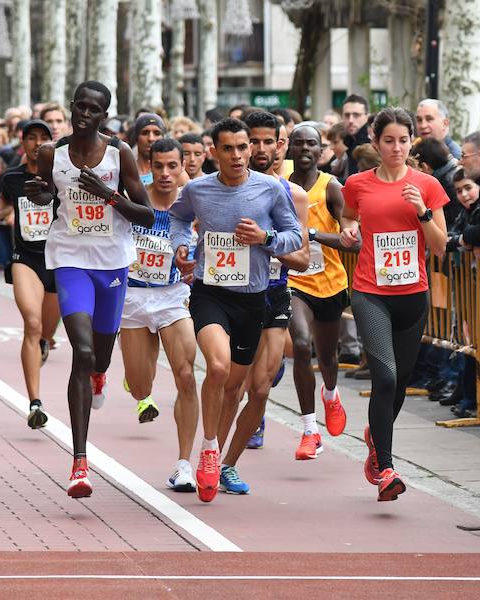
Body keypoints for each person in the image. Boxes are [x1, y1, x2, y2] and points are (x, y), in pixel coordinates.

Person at [25, 81, 155, 498]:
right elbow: (48, 195)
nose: (84, 114)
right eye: (79, 106)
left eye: (93, 109)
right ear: (72, 107)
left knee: (99, 355)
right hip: (69, 258)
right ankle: (80, 461)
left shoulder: (120, 154)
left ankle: (99, 375)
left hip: (112, 263)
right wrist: (41, 194)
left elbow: (147, 217)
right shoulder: (53, 153)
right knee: (80, 351)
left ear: (105, 115)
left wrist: (110, 196)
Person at [169, 117, 302, 502]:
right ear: (214, 152)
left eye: (242, 148)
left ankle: (222, 457)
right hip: (211, 293)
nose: (238, 155)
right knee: (219, 365)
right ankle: (210, 449)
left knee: (234, 388)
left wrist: (265, 238)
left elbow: (294, 235)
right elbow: (178, 217)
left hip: (252, 298)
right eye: (228, 148)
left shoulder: (271, 189)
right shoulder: (198, 189)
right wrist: (181, 246)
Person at [339, 107, 448, 501]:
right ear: (375, 140)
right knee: (384, 378)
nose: (397, 147)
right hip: (371, 291)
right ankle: (385, 468)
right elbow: (349, 220)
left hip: (413, 294)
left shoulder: (427, 185)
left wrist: (422, 211)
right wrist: (349, 234)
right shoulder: (357, 183)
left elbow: (439, 246)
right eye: (389, 140)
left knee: (400, 382)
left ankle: (375, 435)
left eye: (404, 140)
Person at [211, 111, 309, 493]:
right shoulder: (217, 187)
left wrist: (264, 240)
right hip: (231, 294)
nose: (262, 149)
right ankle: (208, 457)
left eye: (271, 141)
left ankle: (228, 465)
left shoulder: (291, 193)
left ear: (281, 145)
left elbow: (300, 258)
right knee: (230, 386)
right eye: (255, 141)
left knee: (262, 389)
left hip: (272, 295)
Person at [118, 137, 199, 492]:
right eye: (159, 166)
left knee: (186, 374)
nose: (166, 174)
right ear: (148, 165)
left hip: (173, 297)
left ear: (183, 165)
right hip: (133, 298)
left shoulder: (195, 200)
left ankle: (185, 465)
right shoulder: (136, 195)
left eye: (173, 166)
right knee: (141, 387)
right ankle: (136, 380)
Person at [286, 123, 354, 460]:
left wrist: (310, 233)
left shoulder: (332, 187)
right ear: (290, 148)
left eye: (311, 144)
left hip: (329, 283)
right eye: (298, 143)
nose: (304, 150)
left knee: (327, 357)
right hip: (294, 282)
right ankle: (310, 430)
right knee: (300, 345)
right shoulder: (280, 185)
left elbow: (349, 240)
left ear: (321, 149)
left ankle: (330, 393)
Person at [0, 119, 59, 429]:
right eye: (32, 137)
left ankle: (45, 340)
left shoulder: (60, 177)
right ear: (22, 142)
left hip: (58, 260)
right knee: (31, 322)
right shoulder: (12, 178)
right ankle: (35, 403)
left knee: (47, 329)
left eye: (45, 137)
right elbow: (3, 206)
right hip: (25, 257)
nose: (38, 143)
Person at [133, 113, 166, 185]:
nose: (151, 138)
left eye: (157, 133)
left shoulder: (176, 173)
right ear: (136, 137)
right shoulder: (125, 171)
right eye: (145, 133)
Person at [342, 94, 371, 178]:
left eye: (356, 115)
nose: (350, 120)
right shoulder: (348, 140)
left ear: (367, 117)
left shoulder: (372, 143)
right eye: (347, 115)